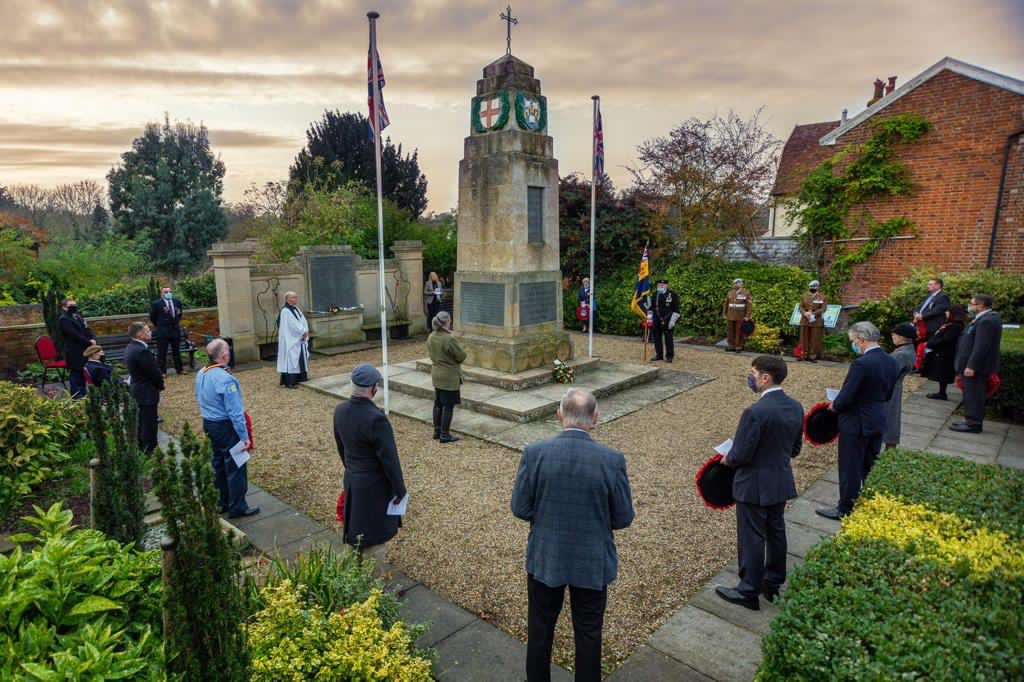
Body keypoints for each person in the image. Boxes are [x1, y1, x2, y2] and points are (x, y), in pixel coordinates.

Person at [511, 388, 634, 682]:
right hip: (591, 560)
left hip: (546, 555)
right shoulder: (612, 460)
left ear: (559, 415)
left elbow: (520, 507)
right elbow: (623, 517)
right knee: (589, 632)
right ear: (595, 417)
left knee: (540, 628)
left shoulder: (535, 453)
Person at [715, 355, 804, 611]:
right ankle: (772, 582)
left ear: (765, 378)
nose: (750, 377)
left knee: (752, 537)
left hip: (753, 484)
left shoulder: (755, 412)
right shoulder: (796, 406)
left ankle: (747, 590)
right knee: (776, 533)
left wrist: (726, 459)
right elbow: (795, 449)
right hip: (780, 480)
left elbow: (741, 455)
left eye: (753, 373)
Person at [816, 321, 901, 520]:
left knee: (850, 468)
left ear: (861, 339)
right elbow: (888, 393)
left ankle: (845, 507)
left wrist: (833, 406)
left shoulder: (861, 364)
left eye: (853, 341)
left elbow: (846, 396)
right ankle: (871, 502)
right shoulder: (892, 361)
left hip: (856, 422)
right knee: (870, 465)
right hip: (878, 418)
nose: (853, 344)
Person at [333, 363, 407, 567]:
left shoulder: (340, 411)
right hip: (373, 485)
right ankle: (373, 589)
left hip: (352, 479)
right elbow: (390, 460)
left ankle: (348, 576)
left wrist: (352, 470)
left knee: (354, 532)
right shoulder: (376, 419)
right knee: (373, 539)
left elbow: (342, 448)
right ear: (374, 388)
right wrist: (400, 490)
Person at [196, 338, 258, 518]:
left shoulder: (201, 373)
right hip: (225, 426)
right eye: (228, 351)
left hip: (209, 423)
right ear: (224, 355)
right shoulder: (226, 379)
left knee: (218, 464)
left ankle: (221, 502)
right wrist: (244, 436)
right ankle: (237, 506)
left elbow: (198, 397)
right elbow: (235, 413)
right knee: (236, 466)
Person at [951, 294, 1003, 433]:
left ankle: (974, 424)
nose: (970, 306)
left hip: (976, 367)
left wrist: (972, 365)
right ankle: (970, 420)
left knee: (974, 394)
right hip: (970, 364)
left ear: (980, 306)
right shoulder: (982, 318)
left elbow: (982, 346)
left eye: (972, 304)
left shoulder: (987, 320)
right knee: (970, 394)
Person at [426, 311, 466, 443]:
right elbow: (461, 356)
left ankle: (437, 431)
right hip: (449, 376)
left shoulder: (431, 336)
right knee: (448, 405)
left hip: (437, 374)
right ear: (447, 322)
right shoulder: (449, 338)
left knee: (438, 403)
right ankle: (445, 434)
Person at [125, 322, 164, 454]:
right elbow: (154, 373)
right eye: (147, 331)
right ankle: (149, 451)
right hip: (146, 392)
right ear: (140, 334)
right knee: (148, 424)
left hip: (138, 390)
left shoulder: (131, 347)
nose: (150, 333)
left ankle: (142, 448)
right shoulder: (141, 351)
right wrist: (160, 385)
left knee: (142, 422)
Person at [883, 323, 918, 450]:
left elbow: (888, 373)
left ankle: (890, 446)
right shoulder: (905, 350)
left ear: (903, 337)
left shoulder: (901, 354)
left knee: (890, 417)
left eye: (894, 335)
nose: (892, 337)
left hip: (891, 388)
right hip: (893, 387)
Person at [922, 305, 967, 400]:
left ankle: (942, 393)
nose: (946, 313)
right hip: (941, 351)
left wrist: (932, 343)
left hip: (946, 353)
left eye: (948, 311)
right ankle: (941, 392)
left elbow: (946, 339)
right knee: (941, 373)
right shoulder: (950, 323)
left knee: (943, 373)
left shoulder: (956, 326)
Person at [58, 297, 96, 399]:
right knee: (76, 373)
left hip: (83, 349)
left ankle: (83, 395)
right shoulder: (64, 319)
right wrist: (88, 342)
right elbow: (74, 335)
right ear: (64, 307)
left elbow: (87, 329)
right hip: (74, 351)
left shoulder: (78, 317)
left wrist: (92, 338)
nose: (74, 308)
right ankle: (76, 397)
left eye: (75, 305)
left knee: (82, 372)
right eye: (71, 306)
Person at [149, 286, 186, 376]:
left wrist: (175, 323)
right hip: (162, 331)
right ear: (162, 294)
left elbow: (179, 314)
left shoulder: (177, 302)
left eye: (169, 291)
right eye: (166, 292)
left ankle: (179, 369)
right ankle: (162, 372)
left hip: (175, 330)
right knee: (162, 352)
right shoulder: (156, 304)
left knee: (176, 351)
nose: (168, 293)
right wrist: (160, 325)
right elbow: (153, 317)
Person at [276, 291, 310, 388]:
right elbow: (292, 324)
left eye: (296, 297)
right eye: (293, 297)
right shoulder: (285, 311)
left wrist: (305, 330)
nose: (295, 299)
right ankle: (289, 382)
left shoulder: (296, 309)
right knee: (291, 359)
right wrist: (302, 331)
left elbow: (303, 320)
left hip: (299, 338)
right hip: (291, 339)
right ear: (287, 299)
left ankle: (301, 378)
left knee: (299, 357)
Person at [650, 278, 680, 363]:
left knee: (668, 338)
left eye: (663, 285)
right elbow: (651, 308)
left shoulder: (672, 294)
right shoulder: (655, 294)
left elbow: (676, 309)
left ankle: (669, 356)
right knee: (656, 338)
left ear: (667, 285)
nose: (661, 286)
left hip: (668, 319)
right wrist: (649, 319)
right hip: (656, 319)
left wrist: (673, 320)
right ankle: (659, 355)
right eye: (659, 285)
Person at [797, 280, 827, 362]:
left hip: (816, 320)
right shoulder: (803, 296)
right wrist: (805, 313)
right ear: (809, 287)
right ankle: (802, 355)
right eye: (811, 286)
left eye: (815, 286)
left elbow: (823, 308)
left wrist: (813, 313)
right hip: (805, 319)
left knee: (814, 339)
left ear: (818, 287)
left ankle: (812, 356)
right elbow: (800, 307)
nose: (813, 288)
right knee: (803, 338)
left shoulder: (822, 297)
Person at [723, 278, 753, 352]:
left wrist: (747, 316)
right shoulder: (730, 292)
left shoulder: (746, 293)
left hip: (741, 315)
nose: (736, 284)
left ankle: (738, 346)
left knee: (739, 331)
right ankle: (731, 346)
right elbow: (726, 304)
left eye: (738, 283)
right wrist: (724, 313)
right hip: (730, 315)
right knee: (730, 330)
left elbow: (749, 305)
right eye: (735, 283)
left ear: (742, 284)